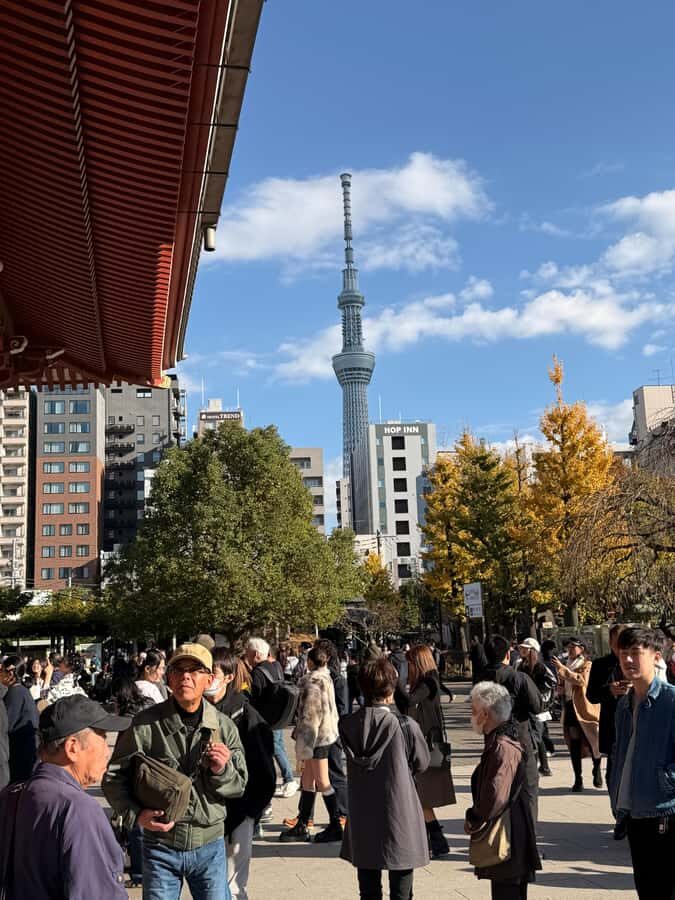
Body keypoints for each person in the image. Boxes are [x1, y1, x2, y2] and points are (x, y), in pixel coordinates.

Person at [103, 643, 248, 900]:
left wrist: (221, 770)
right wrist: (136, 815)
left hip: (210, 846)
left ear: (209, 679)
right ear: (168, 678)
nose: (186, 677)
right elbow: (114, 777)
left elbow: (239, 785)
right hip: (160, 847)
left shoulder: (224, 727)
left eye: (195, 670)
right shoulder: (145, 725)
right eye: (178, 670)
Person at [0, 694, 132, 898]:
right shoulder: (78, 809)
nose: (107, 751)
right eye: (103, 737)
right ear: (72, 748)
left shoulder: (11, 796)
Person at [341, 658, 430, 900]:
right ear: (391, 690)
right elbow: (422, 763)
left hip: (362, 809)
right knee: (402, 883)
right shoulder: (405, 725)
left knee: (368, 886)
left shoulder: (347, 724)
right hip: (398, 807)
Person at [609, 626, 675, 899]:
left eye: (636, 653)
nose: (628, 660)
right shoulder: (624, 706)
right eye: (623, 653)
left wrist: (666, 780)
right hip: (633, 812)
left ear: (656, 656)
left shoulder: (670, 700)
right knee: (647, 890)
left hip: (665, 811)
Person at [206, 649, 275, 900]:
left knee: (234, 886)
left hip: (239, 809)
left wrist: (250, 812)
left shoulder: (245, 715)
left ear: (228, 677)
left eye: (212, 674)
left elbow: (264, 769)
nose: (207, 680)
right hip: (205, 814)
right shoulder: (193, 711)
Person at [465, 682, 541, 900]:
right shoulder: (501, 740)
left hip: (509, 837)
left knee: (507, 892)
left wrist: (474, 817)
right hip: (511, 833)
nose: (471, 716)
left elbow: (496, 795)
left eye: (473, 711)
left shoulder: (502, 746)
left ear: (485, 714)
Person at [279, 646, 340, 843]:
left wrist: (303, 749)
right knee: (308, 780)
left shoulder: (312, 682)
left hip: (316, 738)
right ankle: (303, 823)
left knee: (322, 781)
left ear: (310, 662)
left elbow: (310, 718)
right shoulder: (326, 678)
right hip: (325, 734)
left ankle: (335, 824)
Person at [482, 636, 542, 826]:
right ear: (508, 654)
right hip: (518, 738)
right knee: (527, 789)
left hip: (493, 740)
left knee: (498, 788)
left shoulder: (481, 677)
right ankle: (527, 835)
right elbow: (537, 705)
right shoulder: (518, 677)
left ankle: (501, 834)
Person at [404, 643, 456, 858]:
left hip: (425, 746)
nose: (407, 667)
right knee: (419, 796)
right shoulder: (430, 680)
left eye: (409, 663)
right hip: (426, 743)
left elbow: (409, 701)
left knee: (420, 795)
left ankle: (437, 840)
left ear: (417, 663)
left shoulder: (427, 682)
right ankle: (433, 839)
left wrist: (394, 684)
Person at [246, 636, 298, 799]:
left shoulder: (257, 672)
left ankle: (289, 779)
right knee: (278, 745)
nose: (246, 656)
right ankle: (288, 778)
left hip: (266, 719)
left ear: (255, 654)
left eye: (248, 653)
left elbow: (255, 698)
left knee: (274, 748)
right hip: (279, 716)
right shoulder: (275, 666)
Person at [552, 637, 602, 791]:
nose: (570, 649)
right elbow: (563, 681)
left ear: (582, 648)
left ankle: (597, 769)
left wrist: (562, 669)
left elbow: (581, 680)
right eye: (568, 646)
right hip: (570, 706)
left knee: (593, 740)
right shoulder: (566, 663)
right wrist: (560, 689)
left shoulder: (587, 664)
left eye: (573, 646)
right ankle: (578, 778)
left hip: (585, 707)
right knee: (574, 741)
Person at [586, 624, 625, 787]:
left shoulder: (637, 663)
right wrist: (609, 690)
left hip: (636, 724)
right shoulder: (600, 665)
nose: (621, 648)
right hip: (611, 723)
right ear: (610, 643)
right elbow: (591, 695)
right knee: (613, 776)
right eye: (617, 643)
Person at [517, 638, 555, 777]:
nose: (522, 650)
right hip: (526, 706)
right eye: (521, 648)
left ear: (533, 650)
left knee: (536, 737)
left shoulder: (540, 666)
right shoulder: (520, 665)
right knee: (537, 736)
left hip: (538, 707)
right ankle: (542, 766)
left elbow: (551, 682)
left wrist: (536, 694)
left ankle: (541, 766)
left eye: (525, 648)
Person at [0, 656, 38, 783]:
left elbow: (6, 725)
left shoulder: (14, 693)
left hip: (20, 755)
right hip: (27, 753)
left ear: (10, 673)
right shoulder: (22, 691)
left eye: (1, 670)